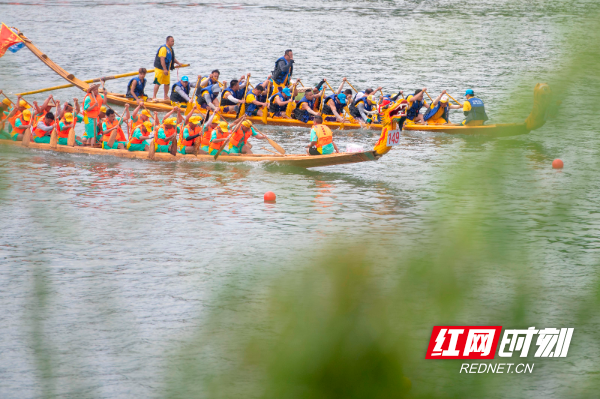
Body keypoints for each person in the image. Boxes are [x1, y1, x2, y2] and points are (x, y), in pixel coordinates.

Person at [152, 36, 182, 101]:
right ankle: (154, 96)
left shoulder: (170, 49)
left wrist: (178, 63)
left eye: (173, 41)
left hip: (167, 69)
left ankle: (165, 96)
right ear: (167, 41)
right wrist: (164, 69)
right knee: (158, 82)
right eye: (172, 41)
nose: (173, 42)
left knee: (167, 83)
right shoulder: (163, 48)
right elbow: (162, 59)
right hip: (160, 69)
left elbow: (172, 58)